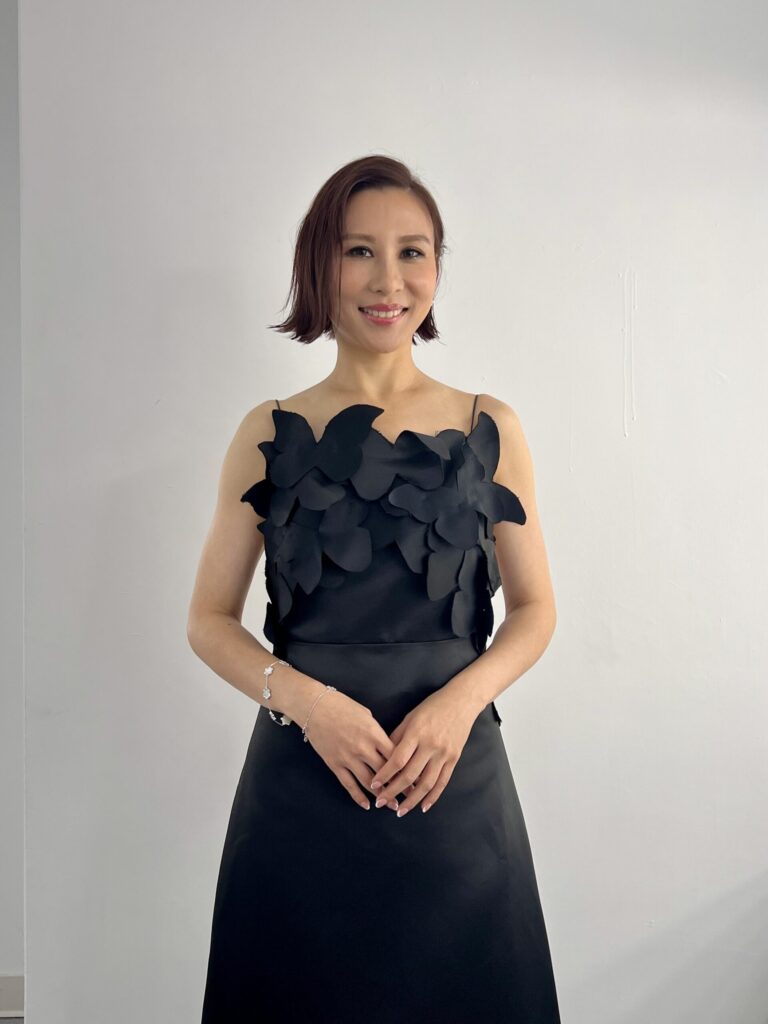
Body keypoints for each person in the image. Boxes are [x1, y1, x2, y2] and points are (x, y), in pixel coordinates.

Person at [188, 154, 561, 1022]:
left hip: (452, 781)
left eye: (412, 252)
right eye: (358, 251)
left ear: (436, 267)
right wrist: (308, 704)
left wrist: (457, 705)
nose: (388, 280)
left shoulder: (489, 424)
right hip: (300, 786)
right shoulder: (268, 431)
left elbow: (536, 609)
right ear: (318, 264)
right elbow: (208, 620)